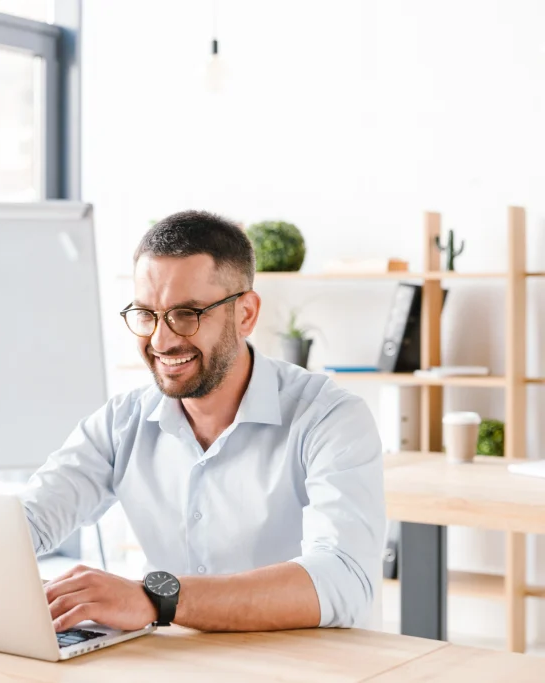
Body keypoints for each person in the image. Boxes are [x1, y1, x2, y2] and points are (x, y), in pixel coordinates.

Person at [21, 210, 385, 633]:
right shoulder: (122, 422)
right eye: (146, 314)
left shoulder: (329, 419)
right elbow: (28, 522)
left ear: (245, 314)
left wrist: (156, 599)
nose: (161, 340)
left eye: (187, 314)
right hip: (174, 664)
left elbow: (344, 579)